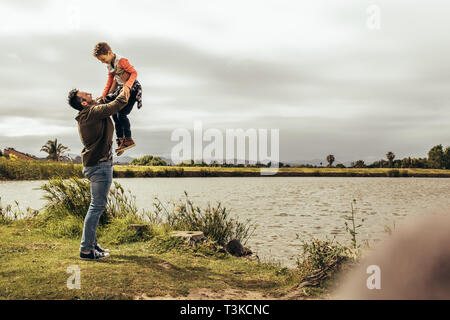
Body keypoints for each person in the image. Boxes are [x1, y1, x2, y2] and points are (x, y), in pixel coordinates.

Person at [67, 88, 129, 260]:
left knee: (96, 206)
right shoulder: (92, 113)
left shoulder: (88, 114)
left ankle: (92, 245)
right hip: (100, 166)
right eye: (85, 95)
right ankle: (86, 250)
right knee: (96, 207)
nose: (89, 93)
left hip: (96, 165)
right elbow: (117, 104)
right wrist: (127, 87)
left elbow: (104, 101)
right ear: (84, 103)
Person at [93, 41, 142, 156]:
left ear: (109, 53)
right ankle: (121, 140)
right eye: (100, 60)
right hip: (120, 88)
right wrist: (104, 94)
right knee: (114, 114)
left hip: (132, 88)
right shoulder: (109, 64)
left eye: (103, 59)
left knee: (121, 114)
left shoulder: (121, 61)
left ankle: (128, 139)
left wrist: (127, 86)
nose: (102, 62)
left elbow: (134, 73)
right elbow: (110, 80)